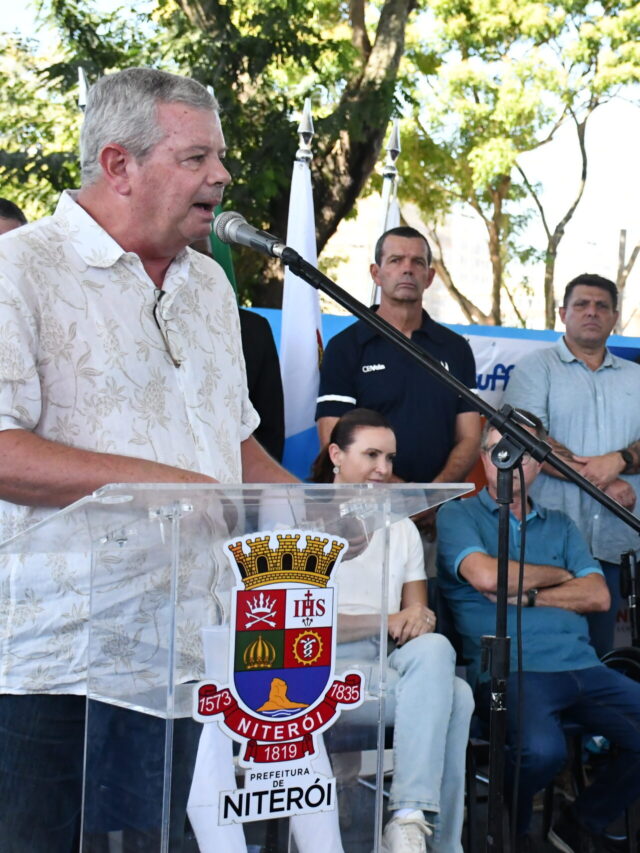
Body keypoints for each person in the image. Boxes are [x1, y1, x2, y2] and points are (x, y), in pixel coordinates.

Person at [0, 67, 295, 852]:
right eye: (196, 157)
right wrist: (167, 484)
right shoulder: (19, 268)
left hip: (180, 651)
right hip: (51, 662)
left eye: (220, 158)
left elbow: (229, 443)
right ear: (119, 166)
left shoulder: (209, 289)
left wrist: (310, 503)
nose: (223, 176)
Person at [437, 413, 640, 851]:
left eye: (527, 453)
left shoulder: (562, 524)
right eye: (499, 451)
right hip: (511, 669)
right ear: (485, 458)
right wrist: (562, 577)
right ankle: (512, 824)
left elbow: (599, 596)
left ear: (540, 463)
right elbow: (488, 578)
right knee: (544, 752)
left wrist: (528, 594)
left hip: (583, 666)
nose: (511, 462)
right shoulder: (458, 515)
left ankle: (579, 822)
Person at [311, 408, 474, 853]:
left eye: (390, 457)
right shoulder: (305, 520)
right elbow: (303, 624)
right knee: (457, 698)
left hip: (388, 661)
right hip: (323, 668)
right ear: (336, 455)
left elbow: (417, 616)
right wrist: (389, 621)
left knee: (437, 646)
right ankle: (431, 838)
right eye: (371, 455)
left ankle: (407, 818)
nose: (384, 469)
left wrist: (416, 619)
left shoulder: (401, 526)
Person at [503, 273, 640, 656]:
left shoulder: (637, 378)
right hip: (548, 542)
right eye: (581, 304)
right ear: (563, 313)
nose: (591, 312)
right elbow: (528, 438)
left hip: (619, 541)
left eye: (602, 306)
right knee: (546, 651)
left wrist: (621, 459)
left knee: (602, 654)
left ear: (615, 317)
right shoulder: (535, 369)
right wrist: (601, 479)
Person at [315, 226, 480, 497]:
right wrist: (404, 497)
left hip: (439, 513)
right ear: (375, 273)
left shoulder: (455, 349)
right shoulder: (346, 347)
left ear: (429, 277)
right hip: (365, 505)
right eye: (395, 260)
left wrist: (433, 496)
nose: (407, 269)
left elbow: (470, 438)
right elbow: (333, 438)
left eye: (417, 262)